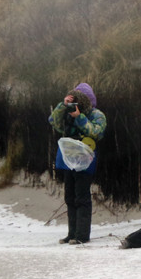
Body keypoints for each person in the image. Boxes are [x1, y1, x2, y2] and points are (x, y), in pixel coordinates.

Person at [49, 83, 107, 244]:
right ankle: (72, 233)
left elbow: (96, 132)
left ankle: (82, 235)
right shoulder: (68, 112)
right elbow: (53, 121)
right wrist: (63, 105)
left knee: (82, 197)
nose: (77, 103)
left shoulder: (97, 115)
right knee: (70, 196)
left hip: (85, 160)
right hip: (69, 160)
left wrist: (79, 117)